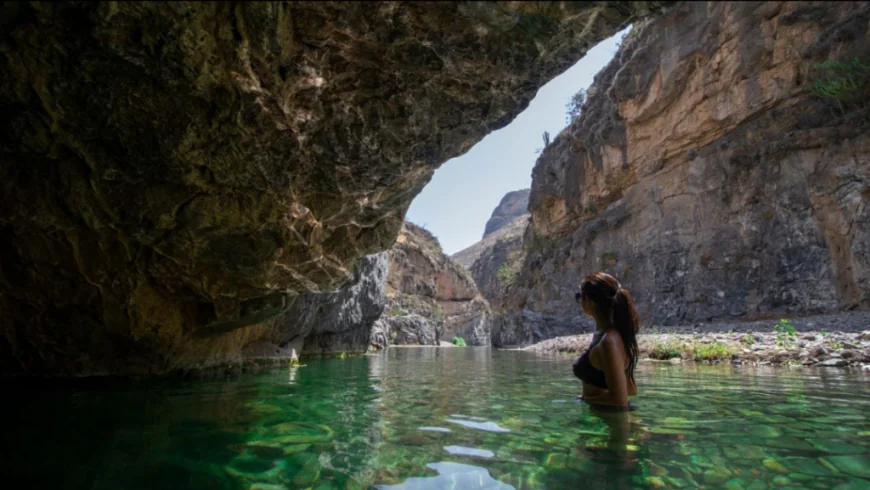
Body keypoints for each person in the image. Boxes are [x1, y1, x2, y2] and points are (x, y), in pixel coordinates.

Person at [572, 272, 640, 411]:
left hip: (611, 423)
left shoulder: (609, 341)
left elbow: (619, 401)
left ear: (589, 302)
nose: (579, 301)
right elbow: (631, 389)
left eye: (580, 296)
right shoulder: (607, 335)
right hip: (604, 418)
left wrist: (585, 400)